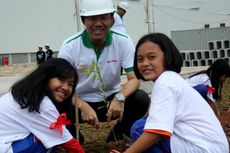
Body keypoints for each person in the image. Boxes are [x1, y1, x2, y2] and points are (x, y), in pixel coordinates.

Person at [110, 33, 229, 153]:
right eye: (140, 59)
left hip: (204, 149)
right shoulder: (171, 79)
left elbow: (155, 133)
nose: (145, 63)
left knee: (139, 128)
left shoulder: (165, 82)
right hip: (213, 146)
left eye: (151, 57)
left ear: (167, 57)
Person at [58, 0, 149, 142]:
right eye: (92, 18)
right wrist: (82, 105)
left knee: (140, 98)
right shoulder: (70, 46)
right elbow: (61, 86)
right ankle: (74, 139)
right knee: (54, 102)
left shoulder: (123, 41)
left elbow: (134, 79)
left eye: (104, 17)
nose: (98, 23)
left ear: (112, 19)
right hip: (78, 102)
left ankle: (119, 135)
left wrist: (120, 98)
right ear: (84, 20)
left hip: (110, 100)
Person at [0, 58, 84, 153]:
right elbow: (70, 143)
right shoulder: (42, 104)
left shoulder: (26, 94)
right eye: (61, 79)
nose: (65, 87)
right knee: (46, 138)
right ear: (46, 77)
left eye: (71, 84)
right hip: (7, 147)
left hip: (6, 141)